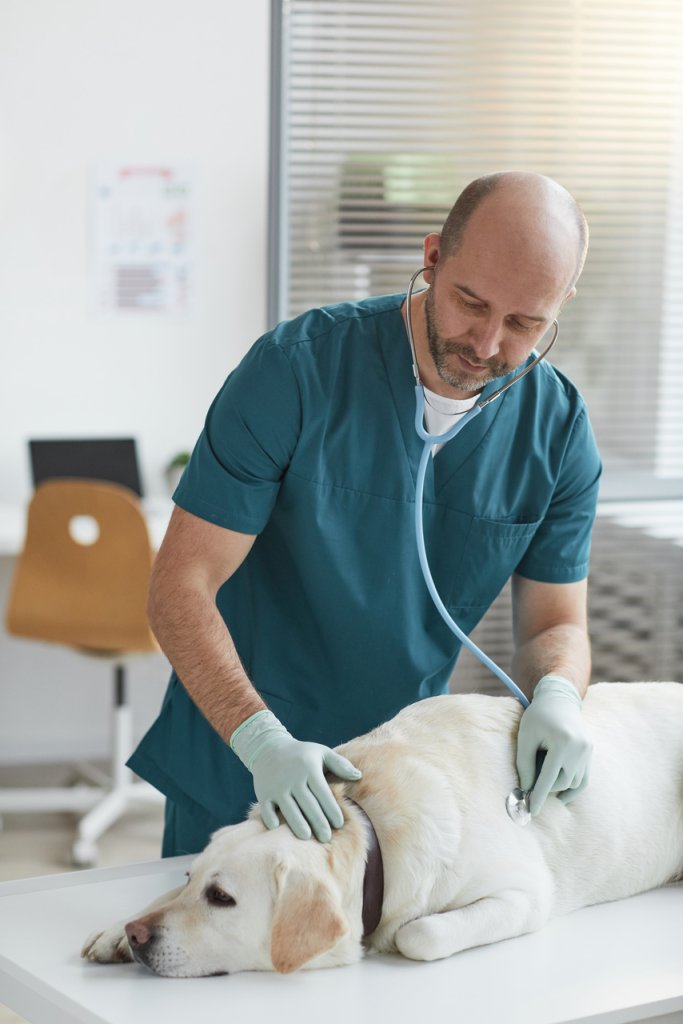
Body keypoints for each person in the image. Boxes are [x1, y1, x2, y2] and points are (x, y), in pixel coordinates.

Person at [129, 170, 601, 857]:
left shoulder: (554, 429)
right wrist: (262, 743)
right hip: (241, 759)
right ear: (433, 256)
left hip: (394, 778)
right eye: (471, 302)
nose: (487, 342)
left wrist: (558, 694)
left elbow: (554, 623)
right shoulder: (295, 371)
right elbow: (179, 588)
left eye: (525, 323)